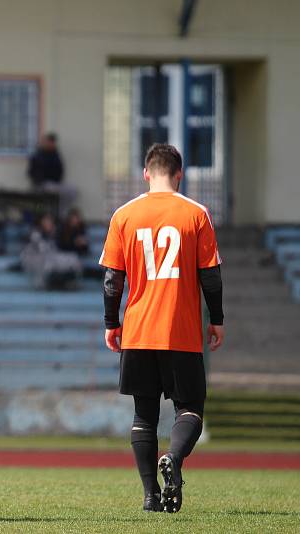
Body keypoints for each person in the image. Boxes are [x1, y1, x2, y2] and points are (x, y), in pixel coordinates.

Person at [99, 143, 224, 514]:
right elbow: (211, 276)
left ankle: (150, 495)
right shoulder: (195, 214)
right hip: (181, 332)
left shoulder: (124, 214)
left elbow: (112, 279)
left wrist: (111, 322)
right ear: (179, 174)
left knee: (144, 416)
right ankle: (173, 456)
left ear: (146, 173)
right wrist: (216, 319)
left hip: (138, 331)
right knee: (190, 409)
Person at [19, 213, 82, 290]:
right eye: (46, 221)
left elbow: (59, 250)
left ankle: (67, 282)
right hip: (34, 262)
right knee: (50, 263)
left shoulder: (55, 234)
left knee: (73, 258)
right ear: (41, 223)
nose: (49, 223)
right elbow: (41, 251)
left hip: (49, 261)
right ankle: (51, 283)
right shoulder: (35, 234)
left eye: (50, 221)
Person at [27, 132, 77, 217]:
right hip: (42, 184)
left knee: (72, 191)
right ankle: (51, 214)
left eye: (53, 142)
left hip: (55, 183)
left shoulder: (55, 154)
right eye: (49, 142)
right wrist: (39, 181)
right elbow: (31, 173)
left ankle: (61, 213)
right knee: (50, 189)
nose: (51, 144)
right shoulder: (38, 155)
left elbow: (59, 171)